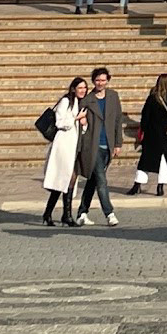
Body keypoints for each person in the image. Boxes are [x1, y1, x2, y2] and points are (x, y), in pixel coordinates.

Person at [75, 67, 124, 225]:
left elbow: (118, 120)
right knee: (102, 181)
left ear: (108, 80)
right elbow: (81, 121)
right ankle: (109, 214)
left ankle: (82, 212)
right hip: (93, 146)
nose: (100, 83)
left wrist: (118, 143)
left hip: (107, 146)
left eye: (103, 80)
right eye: (97, 80)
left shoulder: (113, 96)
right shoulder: (87, 99)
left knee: (93, 180)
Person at [40, 77, 89, 225]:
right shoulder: (66, 102)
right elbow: (60, 122)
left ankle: (57, 214)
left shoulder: (82, 103)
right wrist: (76, 118)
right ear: (73, 88)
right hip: (63, 145)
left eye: (84, 88)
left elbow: (82, 129)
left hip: (74, 145)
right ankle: (60, 215)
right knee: (63, 179)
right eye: (80, 88)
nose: (83, 91)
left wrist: (84, 122)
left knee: (69, 179)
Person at [130, 73, 167, 196]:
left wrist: (143, 131)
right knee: (164, 162)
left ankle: (137, 185)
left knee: (145, 162)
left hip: (152, 136)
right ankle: (160, 187)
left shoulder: (152, 99)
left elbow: (145, 117)